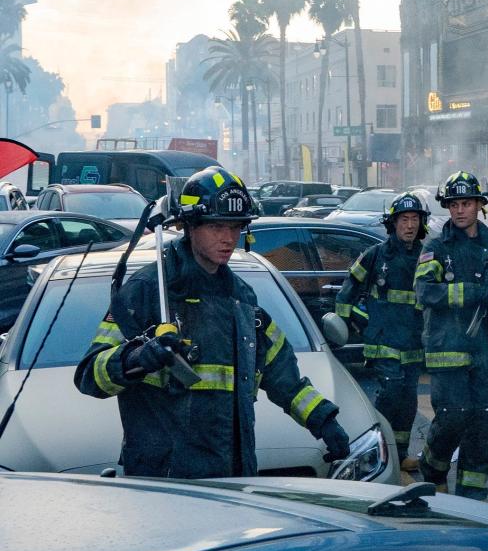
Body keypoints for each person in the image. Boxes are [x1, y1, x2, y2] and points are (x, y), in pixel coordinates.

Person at [75, 166, 350, 479]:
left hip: (235, 477)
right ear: (190, 226)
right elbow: (89, 377)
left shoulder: (243, 299)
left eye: (235, 227)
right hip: (166, 486)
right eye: (217, 226)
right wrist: (136, 358)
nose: (228, 238)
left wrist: (324, 421)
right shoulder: (149, 291)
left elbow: (283, 377)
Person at [414, 171, 488, 498]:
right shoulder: (437, 247)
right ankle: (433, 465)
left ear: (480, 205)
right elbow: (424, 292)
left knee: (484, 428)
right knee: (453, 418)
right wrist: (470, 292)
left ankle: (471, 501)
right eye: (454, 204)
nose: (460, 210)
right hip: (447, 350)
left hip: (487, 352)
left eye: (466, 203)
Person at [335, 191, 430, 472]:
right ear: (393, 223)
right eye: (404, 219)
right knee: (390, 394)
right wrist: (355, 324)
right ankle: (380, 453)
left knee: (408, 401)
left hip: (413, 343)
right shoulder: (375, 256)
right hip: (383, 343)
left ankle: (399, 455)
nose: (410, 225)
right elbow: (345, 295)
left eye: (414, 219)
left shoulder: (427, 257)